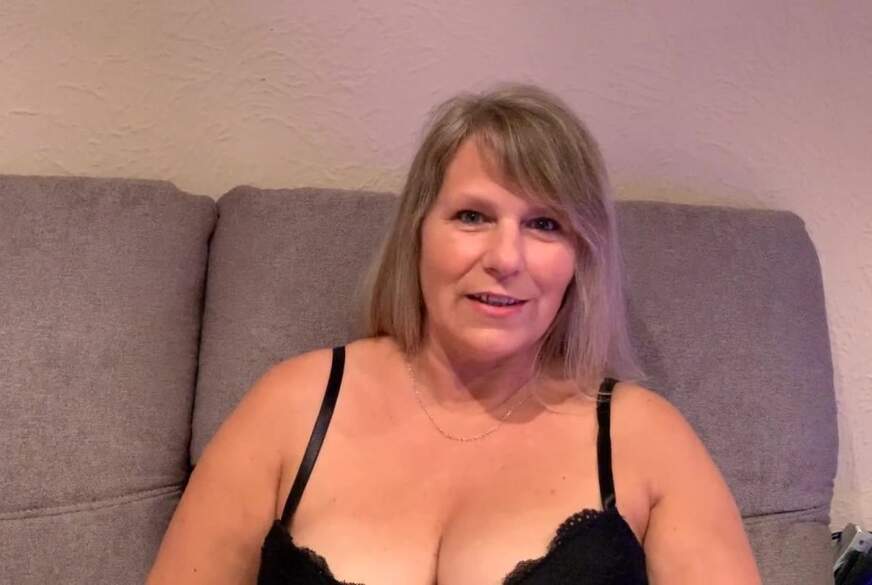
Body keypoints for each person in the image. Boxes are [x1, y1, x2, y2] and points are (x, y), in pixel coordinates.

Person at [146, 83, 762, 584]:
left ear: (581, 257)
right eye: (473, 216)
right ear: (419, 231)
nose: (506, 258)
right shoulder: (292, 406)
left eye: (545, 224)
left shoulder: (645, 438)